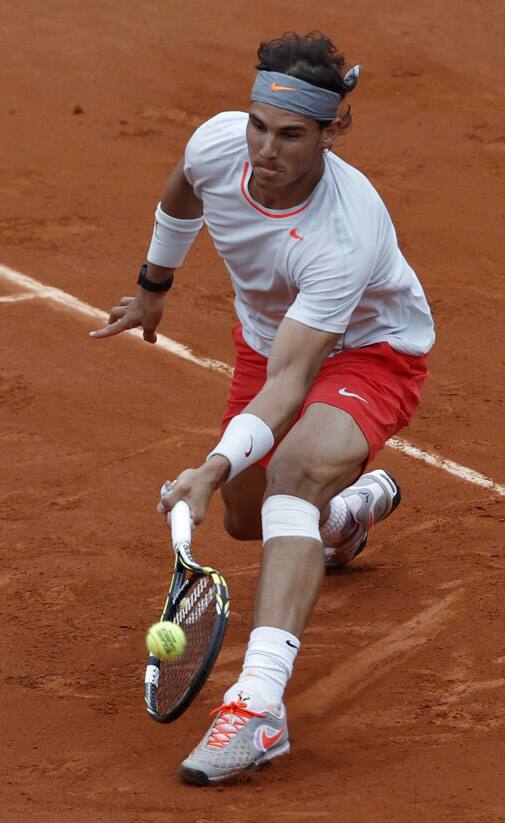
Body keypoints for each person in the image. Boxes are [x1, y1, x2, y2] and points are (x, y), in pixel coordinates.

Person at [91, 31, 435, 785]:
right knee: (250, 519)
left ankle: (258, 706)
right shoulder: (220, 143)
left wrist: (212, 464)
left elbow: (292, 381)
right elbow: (183, 185)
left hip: (370, 353)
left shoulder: (342, 233)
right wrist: (154, 282)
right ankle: (345, 519)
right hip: (271, 344)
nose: (265, 150)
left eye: (290, 135)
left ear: (332, 131)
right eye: (257, 125)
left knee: (294, 475)